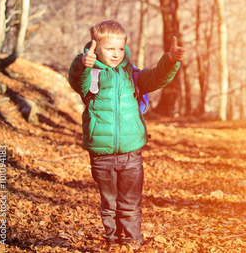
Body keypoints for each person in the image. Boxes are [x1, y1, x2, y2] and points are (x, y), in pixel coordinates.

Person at [68, 20, 185, 250]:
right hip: (101, 155)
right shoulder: (91, 75)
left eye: (120, 49)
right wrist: (82, 64)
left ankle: (131, 241)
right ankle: (112, 240)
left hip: (132, 152)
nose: (116, 54)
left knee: (130, 202)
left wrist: (170, 61)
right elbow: (75, 78)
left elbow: (156, 77)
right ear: (96, 46)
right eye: (110, 49)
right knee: (109, 202)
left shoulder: (131, 74)